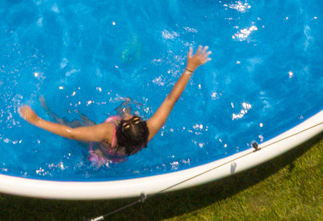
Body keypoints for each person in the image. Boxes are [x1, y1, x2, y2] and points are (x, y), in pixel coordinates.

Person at [18, 46, 210, 163]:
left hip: (101, 150)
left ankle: (48, 110)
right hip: (121, 154)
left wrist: (36, 120)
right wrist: (189, 69)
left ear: (117, 128)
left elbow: (71, 133)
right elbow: (170, 100)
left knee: (73, 123)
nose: (128, 115)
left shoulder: (106, 132)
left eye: (126, 118)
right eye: (134, 117)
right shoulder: (148, 132)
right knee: (126, 104)